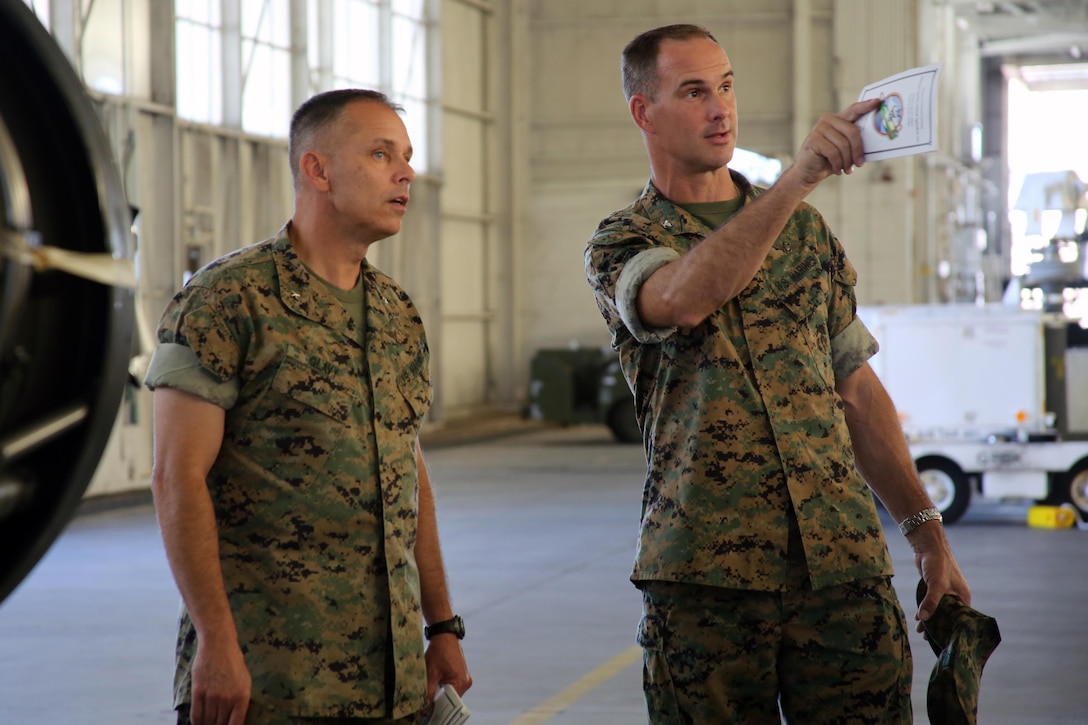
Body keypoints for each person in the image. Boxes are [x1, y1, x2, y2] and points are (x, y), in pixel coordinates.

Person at [584, 24, 971, 724]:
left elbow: (855, 389)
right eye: (694, 91)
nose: (720, 108)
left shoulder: (806, 234)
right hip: (707, 581)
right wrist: (798, 178)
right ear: (644, 112)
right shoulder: (625, 241)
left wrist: (927, 536)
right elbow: (681, 298)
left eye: (726, 85)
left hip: (842, 566)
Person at [144, 89, 471, 725]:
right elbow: (175, 478)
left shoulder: (396, 314)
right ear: (316, 170)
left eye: (406, 157)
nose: (405, 173)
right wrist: (215, 643)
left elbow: (409, 475)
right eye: (381, 154)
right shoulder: (227, 300)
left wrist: (442, 626)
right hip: (269, 682)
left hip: (392, 681)